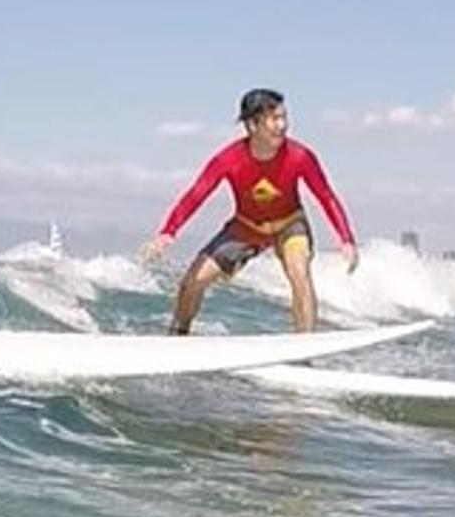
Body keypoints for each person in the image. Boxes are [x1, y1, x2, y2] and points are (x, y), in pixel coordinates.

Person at [142, 88, 358, 333]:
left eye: (284, 117)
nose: (283, 125)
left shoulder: (300, 156)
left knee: (300, 273)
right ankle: (178, 335)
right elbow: (196, 194)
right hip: (246, 227)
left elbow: (326, 196)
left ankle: (303, 346)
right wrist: (168, 232)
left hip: (290, 224)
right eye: (274, 119)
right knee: (193, 281)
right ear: (253, 125)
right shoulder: (229, 159)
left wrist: (346, 239)